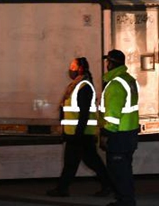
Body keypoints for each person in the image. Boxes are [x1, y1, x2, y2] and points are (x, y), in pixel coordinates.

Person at [47, 57, 113, 198]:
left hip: (81, 134)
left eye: (73, 66)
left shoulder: (84, 87)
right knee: (86, 161)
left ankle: (63, 189)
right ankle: (108, 185)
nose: (70, 69)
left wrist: (77, 133)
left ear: (80, 68)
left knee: (77, 162)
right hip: (78, 133)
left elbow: (83, 113)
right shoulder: (77, 85)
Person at [100, 49, 140, 206]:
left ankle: (125, 201)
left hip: (118, 135)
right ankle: (125, 199)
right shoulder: (129, 80)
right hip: (129, 132)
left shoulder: (115, 85)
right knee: (125, 170)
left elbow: (112, 115)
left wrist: (105, 135)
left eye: (107, 62)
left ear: (110, 63)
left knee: (118, 171)